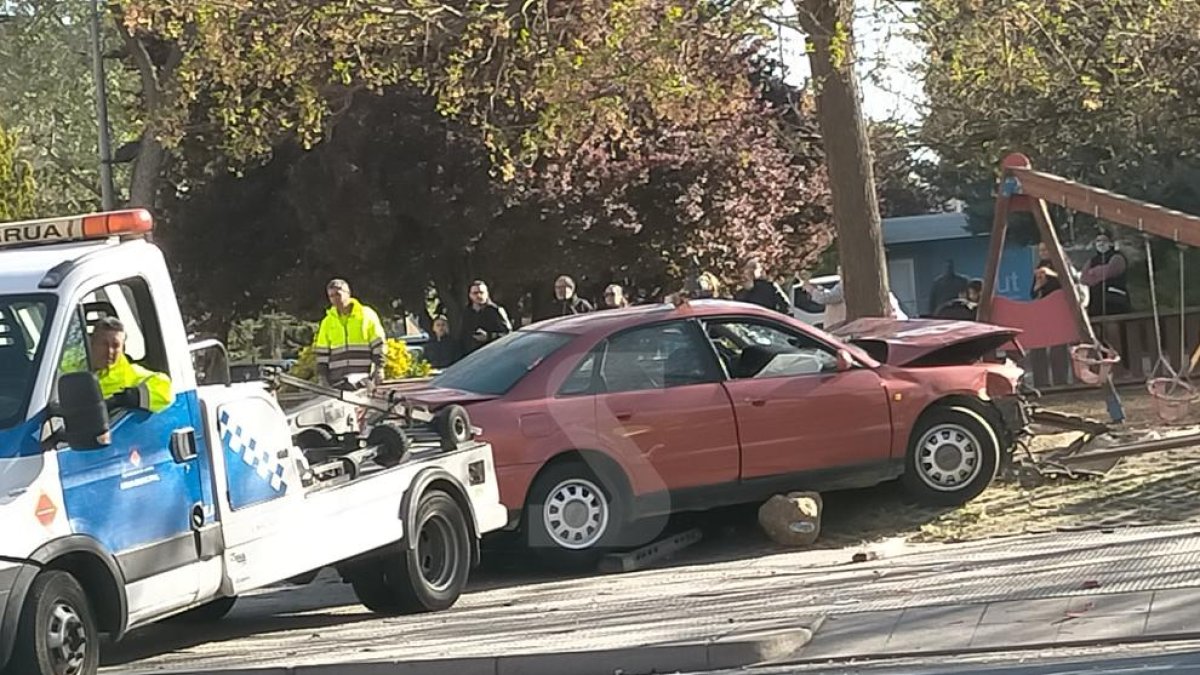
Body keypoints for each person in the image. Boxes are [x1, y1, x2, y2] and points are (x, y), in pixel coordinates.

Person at [89, 317, 174, 413]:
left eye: (116, 345)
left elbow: (165, 389)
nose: (110, 351)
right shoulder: (76, 367)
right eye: (104, 344)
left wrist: (130, 397)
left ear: (123, 349)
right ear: (91, 343)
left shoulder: (131, 373)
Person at [314, 278, 388, 387]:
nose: (335, 299)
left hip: (363, 379)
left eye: (338, 294)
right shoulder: (327, 321)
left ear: (348, 293)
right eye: (331, 296)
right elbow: (322, 353)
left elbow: (378, 344)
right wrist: (322, 377)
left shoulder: (366, 315)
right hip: (337, 380)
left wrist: (379, 368)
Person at [1081, 232, 1131, 316]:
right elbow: (1084, 278)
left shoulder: (1117, 257)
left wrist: (1093, 273)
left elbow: (1109, 271)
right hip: (1096, 302)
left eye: (1104, 240)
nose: (1101, 243)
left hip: (1116, 300)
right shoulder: (1092, 260)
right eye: (1098, 241)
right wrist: (1096, 273)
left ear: (1110, 243)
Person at [460, 280, 512, 354]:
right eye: (475, 293)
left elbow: (508, 334)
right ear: (470, 295)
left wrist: (488, 336)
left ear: (487, 294)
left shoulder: (496, 311)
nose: (478, 295)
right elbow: (463, 335)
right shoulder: (467, 312)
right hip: (471, 354)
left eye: (481, 292)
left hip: (493, 353)